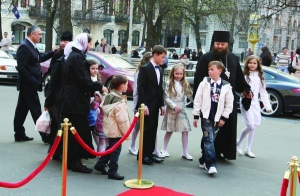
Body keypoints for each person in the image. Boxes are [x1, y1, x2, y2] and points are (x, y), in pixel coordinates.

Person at [193, 30, 251, 161]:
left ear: (227, 44)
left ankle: (223, 152)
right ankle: (207, 155)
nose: (220, 46)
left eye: (223, 44)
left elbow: (239, 79)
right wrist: (200, 103)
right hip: (211, 102)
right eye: (217, 43)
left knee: (227, 128)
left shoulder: (233, 58)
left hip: (228, 102)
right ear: (213, 43)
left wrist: (246, 89)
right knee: (210, 130)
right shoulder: (206, 58)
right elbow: (198, 81)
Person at [61, 33, 108, 173]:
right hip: (75, 102)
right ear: (83, 43)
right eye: (89, 43)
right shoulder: (76, 57)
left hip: (73, 100)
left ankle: (73, 161)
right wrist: (99, 87)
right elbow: (82, 80)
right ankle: (76, 163)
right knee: (78, 133)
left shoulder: (75, 56)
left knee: (75, 133)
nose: (90, 46)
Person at [13, 25, 55, 142]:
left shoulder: (31, 46)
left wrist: (52, 53)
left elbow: (38, 58)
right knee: (36, 109)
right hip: (28, 84)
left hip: (30, 84)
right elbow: (21, 68)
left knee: (22, 109)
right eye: (39, 34)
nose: (41, 36)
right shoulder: (24, 47)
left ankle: (19, 133)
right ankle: (45, 136)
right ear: (32, 34)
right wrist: (32, 81)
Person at [193, 61, 234, 174]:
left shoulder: (226, 86)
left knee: (209, 139)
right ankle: (211, 164)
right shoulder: (204, 83)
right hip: (206, 116)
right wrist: (196, 115)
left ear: (219, 71)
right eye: (209, 69)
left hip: (217, 118)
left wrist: (224, 118)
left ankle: (203, 159)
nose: (209, 72)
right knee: (209, 139)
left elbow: (229, 104)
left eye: (212, 69)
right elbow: (198, 99)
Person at [94, 75, 130, 180]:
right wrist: (126, 133)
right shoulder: (120, 101)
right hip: (116, 129)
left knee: (110, 147)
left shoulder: (109, 96)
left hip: (109, 127)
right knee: (116, 150)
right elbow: (122, 120)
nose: (127, 87)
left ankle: (101, 164)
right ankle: (113, 171)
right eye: (126, 85)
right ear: (122, 86)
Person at [136, 45, 166, 165]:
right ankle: (142, 155)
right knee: (146, 131)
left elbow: (159, 89)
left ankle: (150, 153)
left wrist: (162, 105)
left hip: (155, 104)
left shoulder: (160, 69)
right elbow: (141, 88)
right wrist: (144, 105)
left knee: (153, 130)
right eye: (162, 57)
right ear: (155, 55)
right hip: (147, 105)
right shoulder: (145, 69)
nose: (164, 59)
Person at [44, 31, 72, 158]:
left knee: (59, 123)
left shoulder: (71, 56)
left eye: (66, 41)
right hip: (57, 95)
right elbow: (52, 77)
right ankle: (55, 150)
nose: (63, 43)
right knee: (56, 123)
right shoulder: (58, 57)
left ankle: (57, 150)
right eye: (62, 41)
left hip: (64, 95)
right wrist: (48, 101)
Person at [237, 55, 271, 158]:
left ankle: (248, 148)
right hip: (246, 102)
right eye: (250, 63)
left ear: (258, 65)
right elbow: (238, 90)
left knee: (254, 126)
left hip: (255, 104)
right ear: (247, 63)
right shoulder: (244, 75)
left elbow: (263, 92)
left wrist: (267, 105)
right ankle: (238, 142)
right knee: (250, 125)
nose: (252, 65)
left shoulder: (260, 77)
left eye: (254, 63)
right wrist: (243, 94)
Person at [161, 64, 194, 160]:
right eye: (176, 74)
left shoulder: (185, 83)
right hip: (172, 109)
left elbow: (190, 95)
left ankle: (185, 152)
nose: (179, 76)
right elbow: (165, 97)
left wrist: (197, 104)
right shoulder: (168, 83)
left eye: (180, 74)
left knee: (185, 130)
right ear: (173, 73)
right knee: (169, 130)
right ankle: (164, 149)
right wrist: (174, 106)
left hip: (182, 109)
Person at [129, 52, 152, 155]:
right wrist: (135, 105)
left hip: (148, 102)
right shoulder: (140, 72)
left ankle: (153, 148)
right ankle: (132, 145)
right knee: (137, 125)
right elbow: (136, 90)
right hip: (140, 102)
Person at [87, 59, 107, 160]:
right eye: (93, 68)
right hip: (90, 108)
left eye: (97, 68)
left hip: (96, 108)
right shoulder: (87, 79)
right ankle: (99, 152)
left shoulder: (97, 79)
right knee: (94, 130)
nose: (95, 71)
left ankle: (100, 151)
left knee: (96, 131)